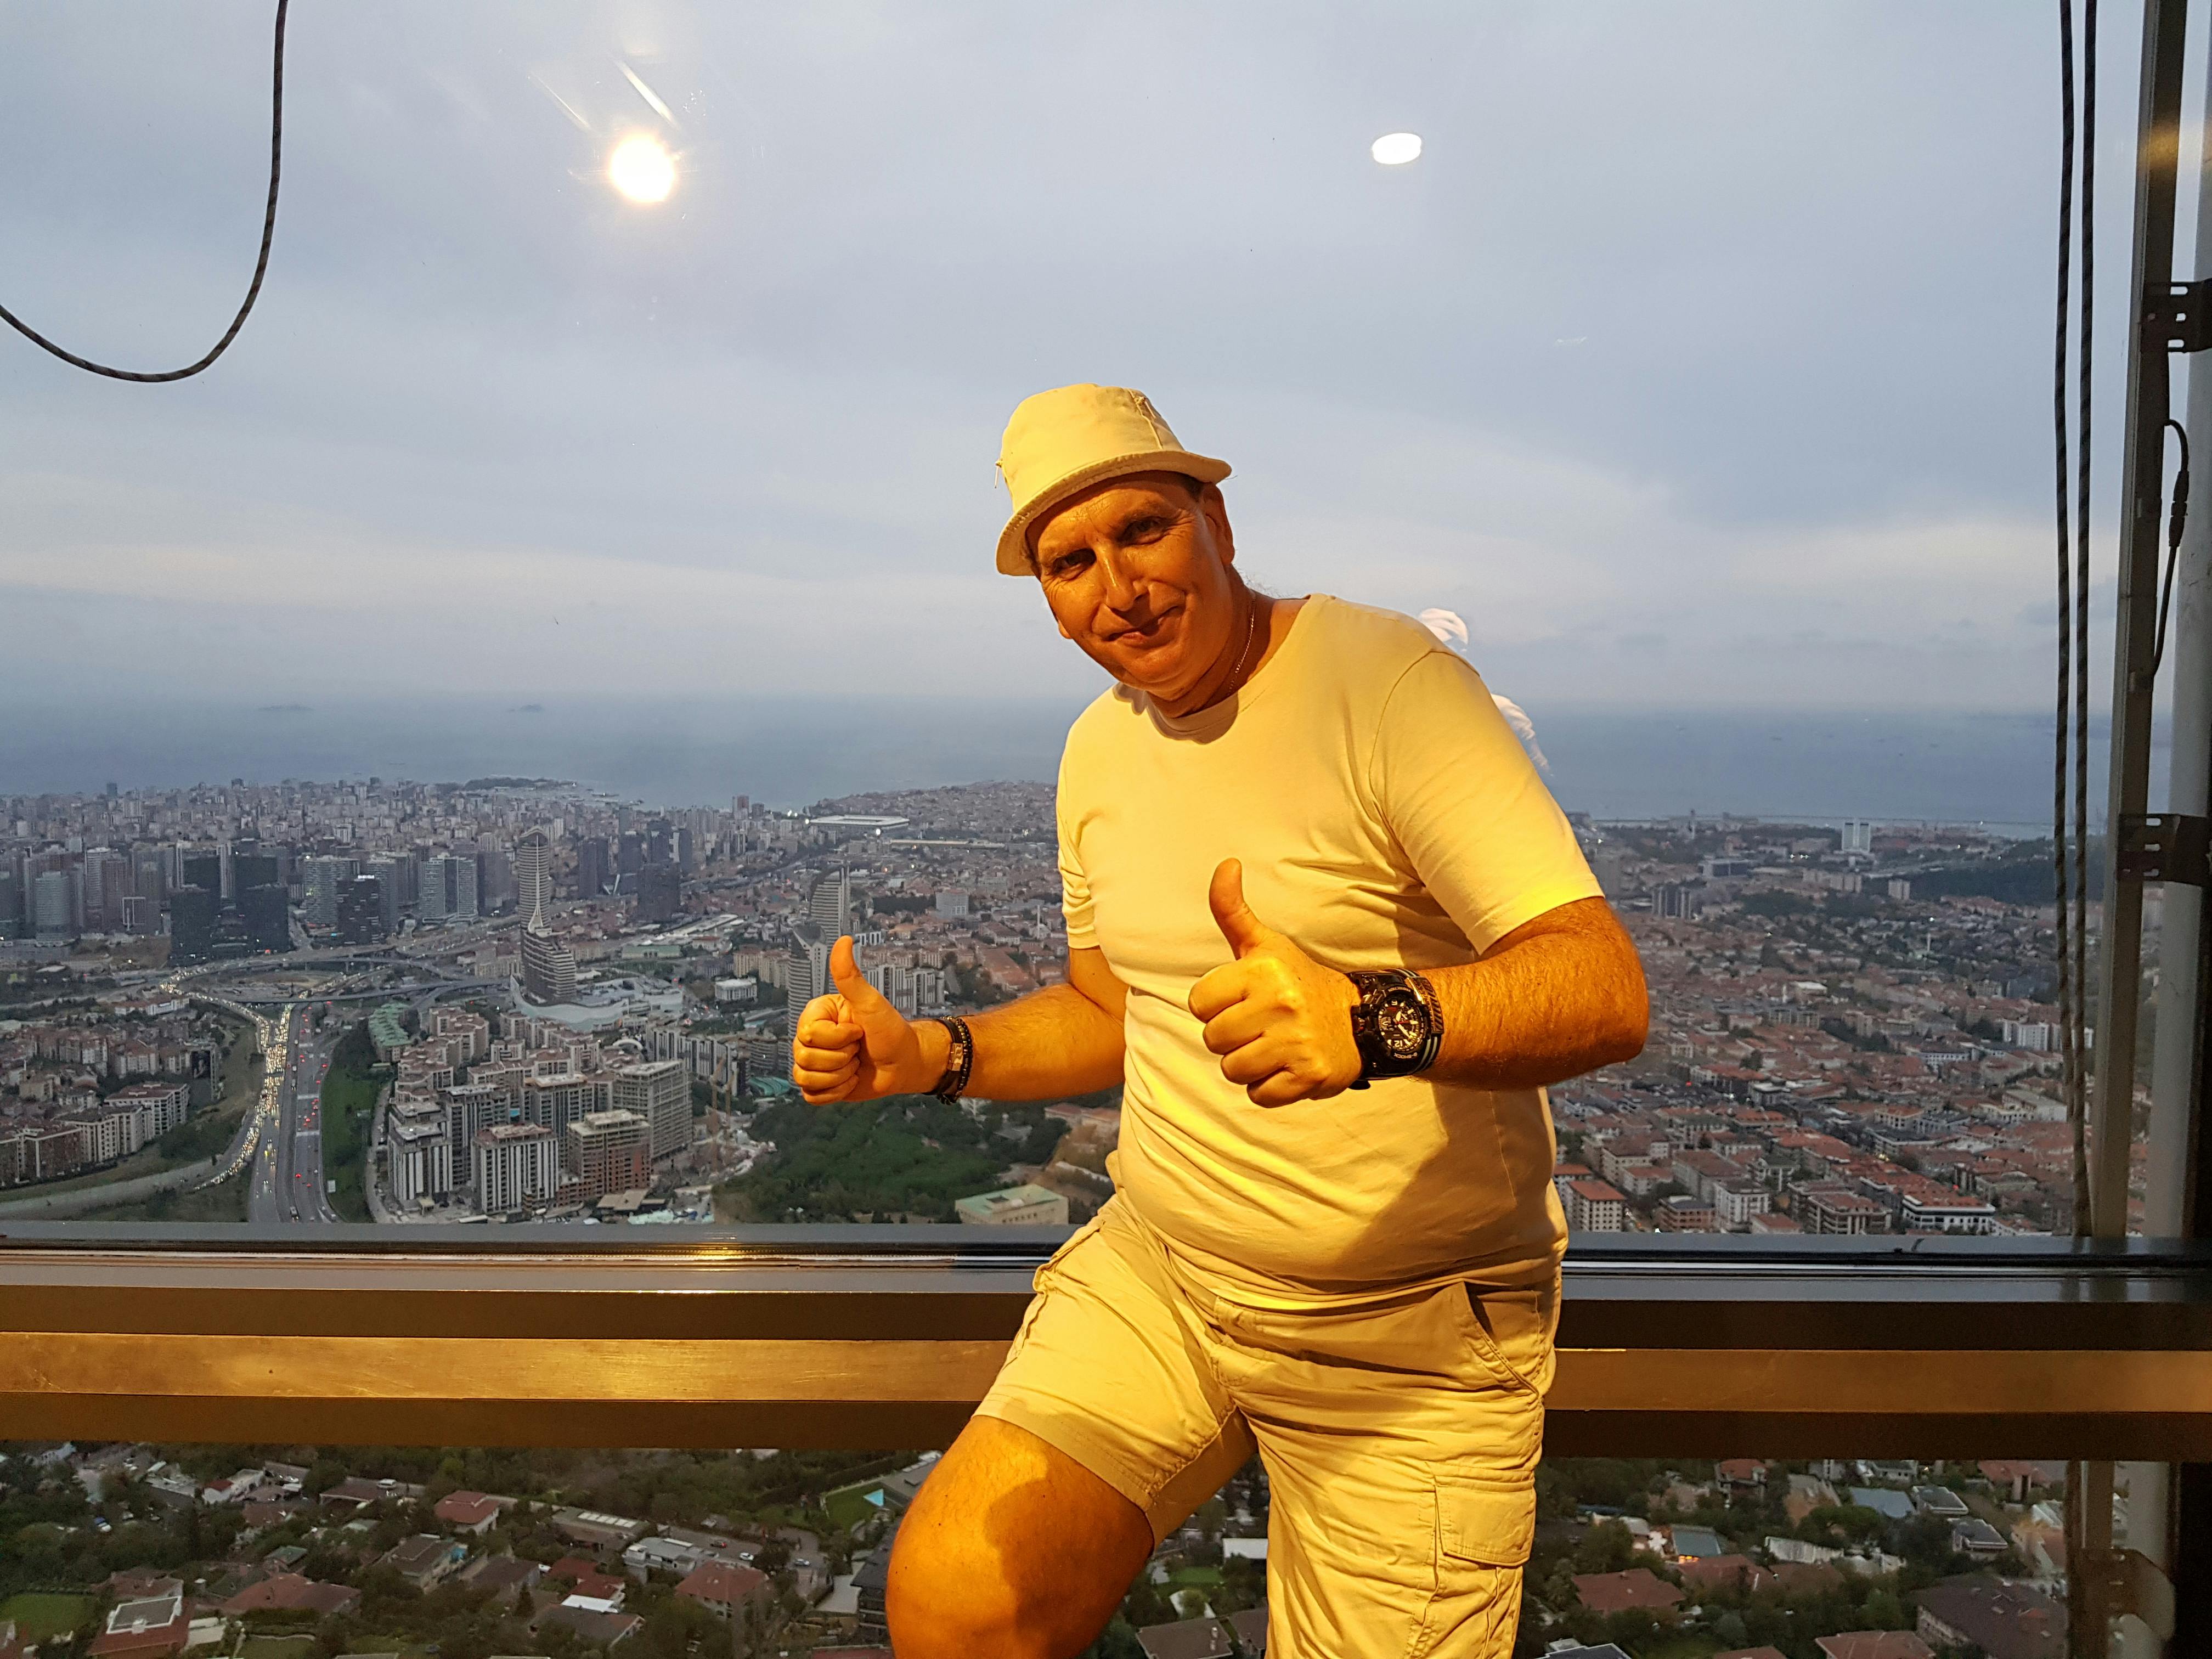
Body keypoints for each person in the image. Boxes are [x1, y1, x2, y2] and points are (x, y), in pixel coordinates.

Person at [791, 383, 1648, 1659]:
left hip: (1402, 1326)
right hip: (1167, 1275)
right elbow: (1109, 1007)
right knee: (962, 1602)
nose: (1119, 587)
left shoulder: (1389, 683)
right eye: (1070, 562)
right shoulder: (1097, 751)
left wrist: (1373, 1018)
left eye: (1143, 530)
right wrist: (934, 1055)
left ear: (1219, 523)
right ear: (1048, 600)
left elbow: (1601, 987)